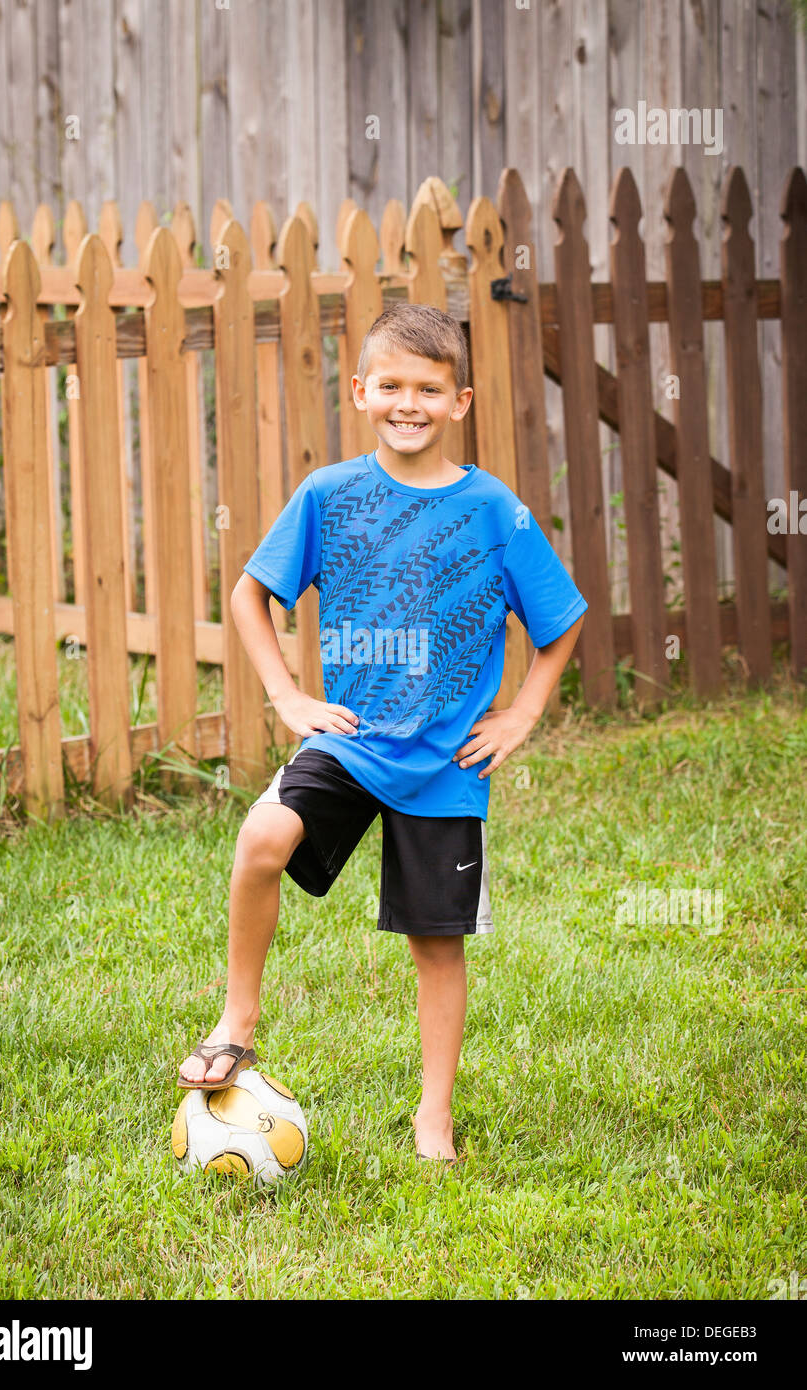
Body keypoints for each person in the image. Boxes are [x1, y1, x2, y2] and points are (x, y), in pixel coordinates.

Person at [178, 301, 587, 1163]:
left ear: (460, 402)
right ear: (361, 390)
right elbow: (251, 595)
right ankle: (237, 1017)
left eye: (430, 389)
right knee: (263, 835)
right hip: (351, 740)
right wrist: (288, 697)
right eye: (392, 385)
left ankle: (432, 1115)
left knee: (435, 945)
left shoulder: (493, 511)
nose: (409, 403)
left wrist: (524, 711)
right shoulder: (329, 496)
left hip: (445, 763)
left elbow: (560, 623)